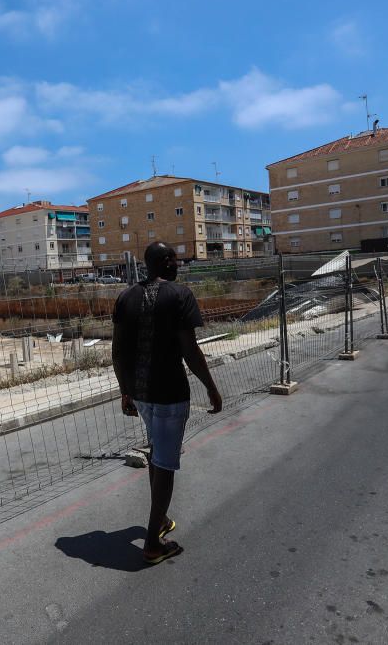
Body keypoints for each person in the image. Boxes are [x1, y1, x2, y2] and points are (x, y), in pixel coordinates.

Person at [112, 242, 222, 564]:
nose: (178, 263)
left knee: (158, 455)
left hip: (141, 394)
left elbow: (117, 353)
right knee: (165, 463)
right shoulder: (180, 295)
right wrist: (211, 388)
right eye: (174, 259)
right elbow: (190, 350)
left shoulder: (125, 297)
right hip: (170, 394)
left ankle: (159, 520)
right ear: (164, 263)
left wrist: (125, 391)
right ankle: (152, 544)